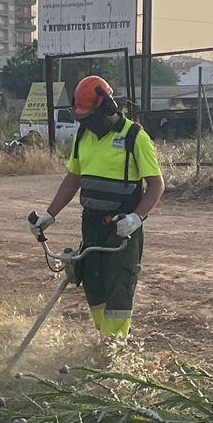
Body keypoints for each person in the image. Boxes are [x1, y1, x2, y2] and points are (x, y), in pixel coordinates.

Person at [29, 75, 163, 339]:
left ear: (107, 107)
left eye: (89, 117)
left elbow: (156, 185)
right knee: (93, 285)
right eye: (82, 119)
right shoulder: (83, 137)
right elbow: (73, 179)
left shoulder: (134, 137)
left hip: (121, 229)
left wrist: (137, 218)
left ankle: (115, 347)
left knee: (118, 289)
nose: (86, 124)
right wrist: (49, 214)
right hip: (91, 225)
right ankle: (105, 339)